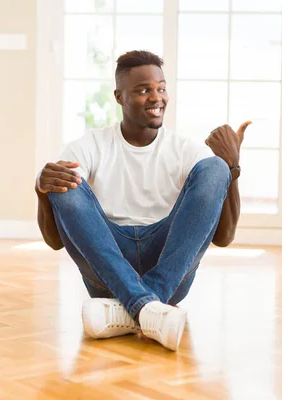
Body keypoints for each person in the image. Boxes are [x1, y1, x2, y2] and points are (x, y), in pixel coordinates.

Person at [35, 50, 250, 351]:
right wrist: (42, 190)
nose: (156, 97)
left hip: (168, 268)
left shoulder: (183, 149)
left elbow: (224, 238)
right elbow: (56, 242)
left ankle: (133, 306)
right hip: (106, 270)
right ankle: (152, 310)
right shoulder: (89, 146)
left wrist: (232, 168)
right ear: (119, 97)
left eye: (161, 88)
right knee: (63, 178)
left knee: (215, 167)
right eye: (143, 90)